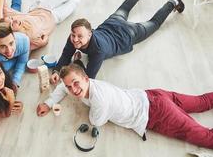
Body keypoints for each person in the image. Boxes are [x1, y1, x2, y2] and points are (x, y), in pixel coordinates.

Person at [37, 63, 213, 149]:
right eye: (69, 86)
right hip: (152, 95)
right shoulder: (81, 85)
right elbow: (61, 87)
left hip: (156, 113)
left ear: (85, 78)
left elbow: (96, 121)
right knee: (201, 101)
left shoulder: (100, 99)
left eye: (75, 83)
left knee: (205, 137)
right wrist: (49, 102)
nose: (72, 90)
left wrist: (88, 106)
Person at [50, 0, 185, 85]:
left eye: (80, 36)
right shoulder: (73, 37)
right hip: (112, 23)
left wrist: (76, 64)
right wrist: (56, 71)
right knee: (124, 8)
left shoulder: (98, 51)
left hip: (128, 34)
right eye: (73, 35)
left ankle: (173, 1)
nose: (75, 39)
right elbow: (66, 54)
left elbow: (89, 78)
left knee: (154, 24)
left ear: (90, 34)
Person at [0, 0, 80, 51]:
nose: (14, 20)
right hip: (54, 17)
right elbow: (44, 41)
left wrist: (0, 16)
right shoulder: (27, 39)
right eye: (11, 24)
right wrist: (44, 42)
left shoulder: (12, 18)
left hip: (41, 6)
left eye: (11, 18)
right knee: (75, 1)